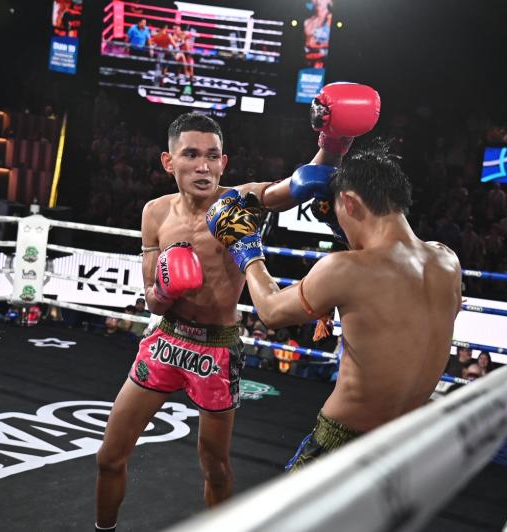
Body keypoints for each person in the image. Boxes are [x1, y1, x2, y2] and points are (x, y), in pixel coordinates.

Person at [95, 85, 380, 532]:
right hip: (166, 339)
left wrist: (332, 143)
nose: (203, 166)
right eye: (191, 155)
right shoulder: (155, 213)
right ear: (169, 162)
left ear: (224, 162)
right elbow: (150, 295)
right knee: (109, 456)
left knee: (216, 468)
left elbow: (295, 187)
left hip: (217, 348)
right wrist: (166, 289)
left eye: (212, 156)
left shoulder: (239, 200)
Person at [208, 137, 461, 471]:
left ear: (350, 203)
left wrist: (245, 247)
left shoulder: (347, 269)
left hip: (344, 440)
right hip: (406, 442)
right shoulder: (446, 260)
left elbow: (270, 311)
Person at [304, 0, 333, 68]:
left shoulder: (331, 20)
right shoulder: (307, 21)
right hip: (307, 63)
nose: (318, 1)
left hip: (324, 64)